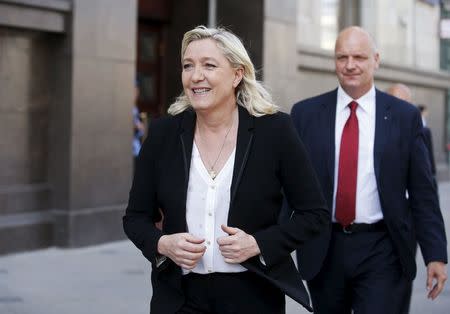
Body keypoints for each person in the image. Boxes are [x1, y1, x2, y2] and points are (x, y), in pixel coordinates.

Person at [123, 25, 329, 314]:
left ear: (237, 74)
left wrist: (259, 243)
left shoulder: (275, 131)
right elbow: (135, 218)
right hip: (180, 298)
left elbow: (314, 214)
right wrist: (162, 244)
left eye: (209, 65)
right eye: (188, 66)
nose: (196, 76)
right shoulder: (163, 134)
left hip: (253, 294)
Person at [290, 26, 447, 314]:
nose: (350, 65)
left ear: (376, 59)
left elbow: (423, 191)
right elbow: (288, 185)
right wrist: (268, 243)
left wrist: (435, 254)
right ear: (334, 61)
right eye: (342, 57)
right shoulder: (305, 114)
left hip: (384, 248)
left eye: (359, 57)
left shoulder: (404, 116)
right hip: (325, 248)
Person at [133, 81, 145, 171]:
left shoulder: (135, 108)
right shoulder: (130, 108)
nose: (136, 95)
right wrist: (137, 126)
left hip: (136, 149)